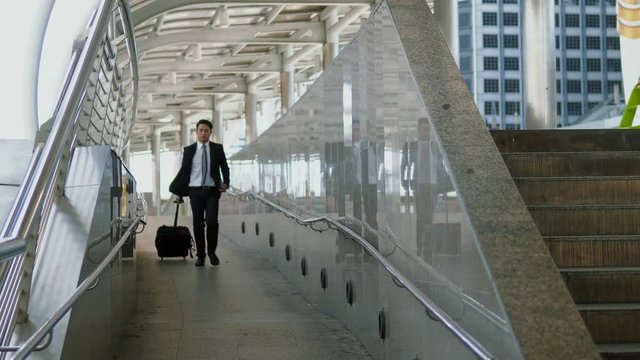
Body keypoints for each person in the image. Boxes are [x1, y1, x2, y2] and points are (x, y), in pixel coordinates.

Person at [169, 119, 230, 267]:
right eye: (201, 130)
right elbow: (184, 173)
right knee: (197, 224)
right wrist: (179, 193)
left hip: (212, 191)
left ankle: (212, 252)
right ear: (196, 132)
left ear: (210, 132)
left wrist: (226, 182)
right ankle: (201, 255)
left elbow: (224, 167)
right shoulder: (189, 150)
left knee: (211, 222)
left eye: (206, 130)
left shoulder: (217, 148)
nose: (203, 133)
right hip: (194, 191)